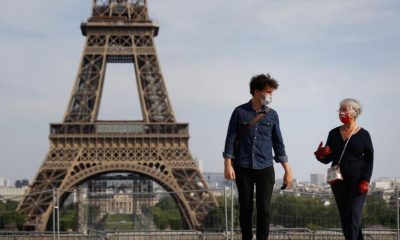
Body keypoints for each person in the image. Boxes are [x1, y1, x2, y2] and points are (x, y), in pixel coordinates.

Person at [223, 73, 293, 240]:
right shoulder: (239, 112)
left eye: (272, 93)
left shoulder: (273, 115)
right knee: (245, 208)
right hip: (243, 166)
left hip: (265, 167)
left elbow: (278, 143)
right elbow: (230, 139)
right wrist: (227, 164)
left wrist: (287, 170)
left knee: (265, 208)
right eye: (267, 92)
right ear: (256, 91)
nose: (270, 96)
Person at [314, 98, 374, 240]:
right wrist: (320, 155)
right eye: (339, 110)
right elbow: (327, 159)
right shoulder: (333, 133)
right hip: (338, 181)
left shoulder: (364, 135)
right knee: (346, 218)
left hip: (358, 182)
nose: (340, 113)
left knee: (353, 215)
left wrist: (365, 180)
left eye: (344, 110)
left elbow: (369, 159)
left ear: (354, 112)